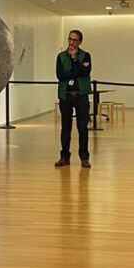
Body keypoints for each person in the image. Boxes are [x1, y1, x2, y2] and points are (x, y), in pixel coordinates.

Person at [55, 29, 91, 168]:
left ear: (80, 41)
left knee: (82, 128)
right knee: (66, 128)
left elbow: (85, 72)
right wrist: (76, 72)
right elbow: (60, 75)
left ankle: (84, 157)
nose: (72, 42)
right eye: (70, 39)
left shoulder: (86, 56)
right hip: (66, 96)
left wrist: (75, 59)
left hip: (81, 95)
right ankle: (64, 157)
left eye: (75, 40)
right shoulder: (61, 56)